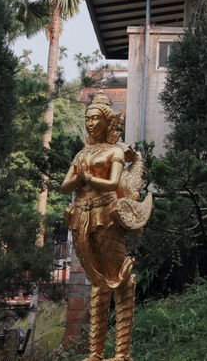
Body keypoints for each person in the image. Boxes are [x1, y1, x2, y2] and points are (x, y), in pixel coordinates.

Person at [61, 91, 151, 361]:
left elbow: (112, 184)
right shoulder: (82, 153)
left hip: (105, 216)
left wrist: (86, 177)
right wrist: (79, 178)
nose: (90, 124)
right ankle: (95, 353)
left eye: (96, 119)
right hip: (81, 217)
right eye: (87, 119)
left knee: (121, 277)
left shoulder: (114, 151)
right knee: (97, 281)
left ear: (108, 122)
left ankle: (122, 353)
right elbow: (65, 185)